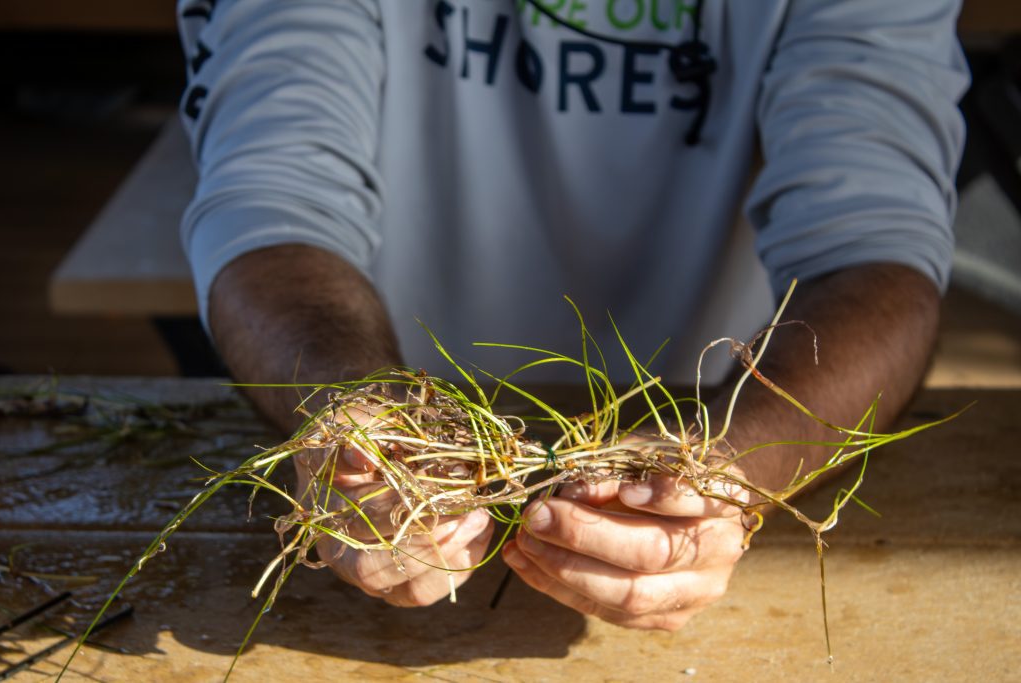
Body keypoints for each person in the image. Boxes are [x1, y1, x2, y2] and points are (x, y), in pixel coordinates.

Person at [175, 0, 968, 628]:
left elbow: (875, 250)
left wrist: (725, 471)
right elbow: (271, 205)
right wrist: (363, 419)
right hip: (402, 409)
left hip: (715, 414)